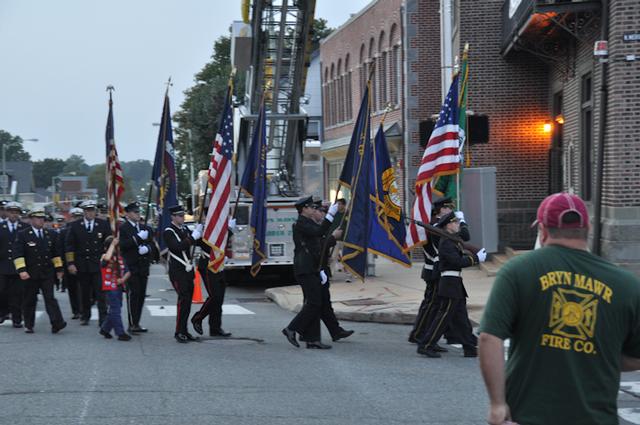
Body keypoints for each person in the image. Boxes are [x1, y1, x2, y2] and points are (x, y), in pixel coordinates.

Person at [479, 192, 640, 425]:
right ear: (588, 229)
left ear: (543, 231)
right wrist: (597, 352)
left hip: (528, 416)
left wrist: (497, 404)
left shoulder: (518, 271)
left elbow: (489, 338)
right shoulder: (627, 285)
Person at [416, 211, 486, 358]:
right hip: (449, 284)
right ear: (448, 225)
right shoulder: (446, 243)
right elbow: (456, 262)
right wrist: (475, 259)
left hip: (455, 284)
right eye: (455, 222)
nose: (457, 224)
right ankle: (426, 344)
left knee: (461, 317)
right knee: (443, 317)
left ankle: (469, 347)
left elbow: (463, 243)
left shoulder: (451, 240)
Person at [281, 196, 337, 350]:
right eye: (311, 207)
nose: (314, 209)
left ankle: (312, 339)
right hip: (304, 269)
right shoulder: (301, 223)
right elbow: (319, 232)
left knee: (315, 303)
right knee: (314, 303)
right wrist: (330, 215)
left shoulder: (308, 222)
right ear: (304, 209)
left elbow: (316, 246)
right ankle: (291, 329)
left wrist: (320, 269)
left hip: (311, 268)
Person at [13, 210, 66, 334]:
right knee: (29, 299)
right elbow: (18, 254)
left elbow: (56, 253)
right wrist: (22, 270)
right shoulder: (23, 234)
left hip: (46, 272)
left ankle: (57, 323)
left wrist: (59, 269)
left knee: (50, 298)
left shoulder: (50, 234)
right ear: (31, 219)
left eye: (43, 218)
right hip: (30, 273)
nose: (41, 221)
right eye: (38, 218)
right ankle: (29, 324)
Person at [311, 201, 354, 342]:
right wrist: (333, 237)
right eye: (319, 211)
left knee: (325, 305)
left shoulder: (317, 226)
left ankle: (336, 331)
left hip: (321, 269)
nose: (321, 214)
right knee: (313, 305)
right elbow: (319, 245)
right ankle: (295, 329)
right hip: (313, 271)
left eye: (323, 211)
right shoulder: (308, 226)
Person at [65, 200, 111, 326]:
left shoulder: (103, 224)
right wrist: (71, 263)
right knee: (84, 292)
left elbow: (108, 244)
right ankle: (85, 315)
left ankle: (103, 317)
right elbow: (70, 246)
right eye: (87, 211)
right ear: (84, 212)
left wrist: (108, 259)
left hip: (98, 263)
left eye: (92, 210)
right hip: (82, 263)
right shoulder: (75, 226)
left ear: (95, 212)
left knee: (100, 292)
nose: (90, 213)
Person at [163, 205, 202, 343]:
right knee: (183, 300)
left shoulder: (184, 229)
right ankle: (178, 331)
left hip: (187, 270)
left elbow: (193, 243)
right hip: (177, 271)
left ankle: (184, 330)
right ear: (173, 217)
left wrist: (197, 235)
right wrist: (192, 238)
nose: (182, 217)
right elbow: (177, 247)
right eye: (179, 215)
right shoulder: (169, 231)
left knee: (187, 302)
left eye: (183, 214)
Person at [191, 216, 234, 338]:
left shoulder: (219, 229)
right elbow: (209, 245)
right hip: (208, 266)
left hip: (218, 265)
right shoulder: (205, 230)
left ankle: (215, 328)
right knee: (214, 296)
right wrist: (229, 230)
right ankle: (197, 318)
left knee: (219, 298)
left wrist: (228, 230)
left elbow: (221, 242)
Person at [118, 201, 154, 333]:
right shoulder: (123, 228)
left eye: (139, 212)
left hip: (143, 267)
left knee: (141, 295)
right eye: (135, 212)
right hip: (131, 266)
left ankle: (137, 322)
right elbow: (123, 245)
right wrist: (137, 239)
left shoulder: (146, 228)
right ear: (127, 214)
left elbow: (153, 246)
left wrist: (147, 248)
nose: (138, 214)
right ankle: (132, 323)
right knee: (133, 294)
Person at [98, 236, 132, 341]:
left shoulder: (121, 258)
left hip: (119, 286)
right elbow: (106, 260)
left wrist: (122, 279)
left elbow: (128, 271)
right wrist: (112, 244)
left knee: (115, 309)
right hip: (109, 286)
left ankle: (105, 328)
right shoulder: (104, 256)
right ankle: (120, 332)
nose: (117, 249)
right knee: (115, 309)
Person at [0, 202, 27, 328]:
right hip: (2, 265)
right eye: (11, 212)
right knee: (2, 291)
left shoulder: (25, 227)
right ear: (7, 213)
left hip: (18, 266)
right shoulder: (1, 226)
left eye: (16, 212)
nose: (14, 215)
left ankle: (17, 318)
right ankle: (3, 313)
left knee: (17, 293)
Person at [58, 208, 84, 319]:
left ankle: (83, 309)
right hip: (69, 263)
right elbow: (60, 249)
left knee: (84, 287)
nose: (76, 219)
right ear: (71, 217)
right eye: (74, 217)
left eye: (79, 217)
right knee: (72, 288)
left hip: (83, 263)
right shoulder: (64, 231)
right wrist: (62, 266)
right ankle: (76, 310)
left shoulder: (85, 229)